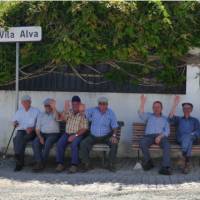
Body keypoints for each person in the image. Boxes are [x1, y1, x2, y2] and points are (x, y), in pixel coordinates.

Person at [79, 97, 119, 172]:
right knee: (83, 143)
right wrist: (81, 110)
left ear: (107, 105)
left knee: (114, 143)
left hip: (106, 136)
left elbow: (115, 126)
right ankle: (87, 164)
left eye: (104, 104)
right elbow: (83, 115)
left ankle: (110, 164)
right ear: (98, 105)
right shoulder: (93, 110)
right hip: (93, 136)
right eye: (100, 104)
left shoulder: (111, 113)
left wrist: (114, 136)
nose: (102, 106)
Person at [52, 96, 88, 173]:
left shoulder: (83, 114)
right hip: (67, 133)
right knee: (59, 143)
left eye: (77, 104)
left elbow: (84, 128)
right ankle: (60, 164)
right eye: (73, 104)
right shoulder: (69, 112)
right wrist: (64, 110)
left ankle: (74, 165)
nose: (75, 106)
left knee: (74, 144)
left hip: (78, 134)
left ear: (80, 104)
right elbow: (61, 119)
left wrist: (74, 136)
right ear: (71, 104)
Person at [138, 94, 171, 175]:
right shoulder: (149, 116)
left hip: (161, 137)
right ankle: (149, 162)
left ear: (161, 108)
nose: (156, 109)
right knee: (142, 142)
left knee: (167, 145)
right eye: (154, 107)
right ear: (152, 108)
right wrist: (142, 102)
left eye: (158, 107)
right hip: (149, 136)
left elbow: (167, 131)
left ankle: (165, 167)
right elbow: (141, 114)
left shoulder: (165, 119)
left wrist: (160, 136)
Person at [169, 96, 200, 174]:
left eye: (188, 108)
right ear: (183, 110)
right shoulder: (178, 119)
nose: (186, 110)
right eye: (184, 108)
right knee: (187, 139)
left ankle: (184, 159)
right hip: (180, 140)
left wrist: (191, 134)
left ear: (191, 110)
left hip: (193, 138)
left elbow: (198, 131)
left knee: (188, 137)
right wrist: (175, 104)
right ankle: (187, 162)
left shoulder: (195, 120)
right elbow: (170, 118)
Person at [32, 98, 61, 172]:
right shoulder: (41, 115)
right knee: (35, 142)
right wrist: (40, 137)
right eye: (45, 105)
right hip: (43, 134)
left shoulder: (55, 113)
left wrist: (54, 107)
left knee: (47, 143)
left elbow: (57, 118)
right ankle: (39, 162)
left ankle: (42, 163)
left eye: (48, 105)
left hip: (53, 134)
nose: (47, 107)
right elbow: (37, 129)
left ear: (51, 106)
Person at [12, 95, 40, 171]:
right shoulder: (19, 111)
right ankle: (19, 160)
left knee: (20, 139)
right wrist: (15, 123)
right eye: (23, 102)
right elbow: (14, 121)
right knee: (16, 138)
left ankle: (18, 159)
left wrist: (32, 128)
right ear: (21, 103)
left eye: (27, 102)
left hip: (32, 132)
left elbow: (39, 124)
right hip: (21, 130)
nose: (25, 103)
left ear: (30, 102)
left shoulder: (36, 111)